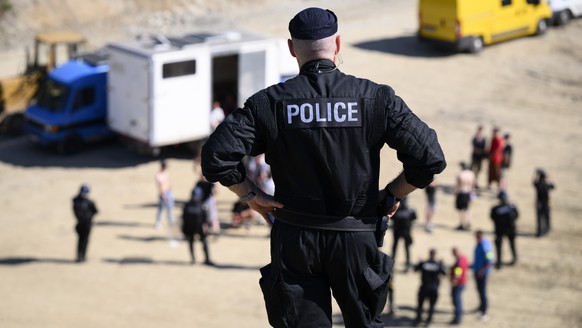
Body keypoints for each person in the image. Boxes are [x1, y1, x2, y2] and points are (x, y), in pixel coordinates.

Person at [201, 7, 446, 327]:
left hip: (296, 238)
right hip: (356, 237)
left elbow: (215, 157)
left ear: (292, 49)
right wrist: (391, 194)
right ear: (338, 44)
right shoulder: (375, 98)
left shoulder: (268, 103)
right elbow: (429, 156)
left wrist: (250, 195)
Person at [181, 178, 214, 265]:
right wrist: (184, 228)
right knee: (191, 241)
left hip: (199, 227)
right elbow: (184, 217)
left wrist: (206, 226)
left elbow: (205, 218)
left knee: (203, 241)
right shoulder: (188, 205)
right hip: (191, 227)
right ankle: (193, 259)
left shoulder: (202, 206)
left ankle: (206, 259)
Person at [413, 248, 447, 327]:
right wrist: (442, 264)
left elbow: (415, 269)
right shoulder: (438, 264)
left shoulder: (424, 263)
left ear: (429, 254)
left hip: (424, 287)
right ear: (435, 255)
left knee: (420, 304)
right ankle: (429, 320)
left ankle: (418, 319)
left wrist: (420, 262)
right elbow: (444, 273)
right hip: (434, 288)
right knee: (431, 305)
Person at [490, 191, 519, 269]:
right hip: (510, 230)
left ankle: (499, 262)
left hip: (500, 230)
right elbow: (516, 216)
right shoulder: (512, 207)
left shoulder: (495, 209)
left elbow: (492, 217)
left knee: (499, 247)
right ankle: (514, 258)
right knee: (512, 244)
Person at [72, 184, 98, 263]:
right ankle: (82, 256)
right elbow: (95, 211)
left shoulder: (76, 201)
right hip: (86, 224)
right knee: (84, 240)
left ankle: (80, 255)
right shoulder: (89, 202)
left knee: (80, 240)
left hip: (80, 223)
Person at [155, 159, 178, 246]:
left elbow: (168, 182)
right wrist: (163, 195)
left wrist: (170, 192)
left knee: (169, 209)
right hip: (163, 194)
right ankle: (158, 222)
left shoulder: (166, 173)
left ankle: (170, 222)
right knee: (161, 209)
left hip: (168, 193)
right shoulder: (159, 175)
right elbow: (160, 186)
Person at [472, 230, 494, 321]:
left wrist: (481, 271)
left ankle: (484, 312)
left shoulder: (485, 246)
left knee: (482, 292)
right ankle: (481, 306)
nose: (477, 238)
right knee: (479, 290)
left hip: (482, 273)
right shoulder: (478, 244)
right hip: (477, 271)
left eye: (479, 237)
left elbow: (490, 261)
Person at [391, 197, 417, 271]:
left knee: (394, 248)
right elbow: (414, 218)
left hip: (397, 232)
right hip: (406, 233)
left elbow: (392, 219)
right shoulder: (411, 211)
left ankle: (391, 264)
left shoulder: (396, 211)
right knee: (407, 249)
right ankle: (408, 264)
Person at [533, 168, 555, 237]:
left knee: (539, 219)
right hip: (547, 204)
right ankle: (547, 229)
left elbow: (533, 182)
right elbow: (553, 186)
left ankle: (540, 232)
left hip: (539, 204)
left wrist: (536, 174)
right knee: (547, 217)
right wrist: (549, 177)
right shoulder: (547, 185)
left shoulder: (538, 185)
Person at [449, 247, 468, 325]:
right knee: (457, 300)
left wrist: (455, 279)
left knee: (457, 300)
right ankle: (457, 317)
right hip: (461, 282)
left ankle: (458, 318)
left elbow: (459, 269)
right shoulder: (463, 258)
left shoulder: (460, 260)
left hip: (459, 283)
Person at [454, 162, 476, 231]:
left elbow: (457, 185)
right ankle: (468, 221)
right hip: (469, 192)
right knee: (467, 208)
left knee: (461, 209)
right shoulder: (472, 174)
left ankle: (462, 223)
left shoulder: (461, 174)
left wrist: (455, 193)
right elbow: (473, 185)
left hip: (462, 192)